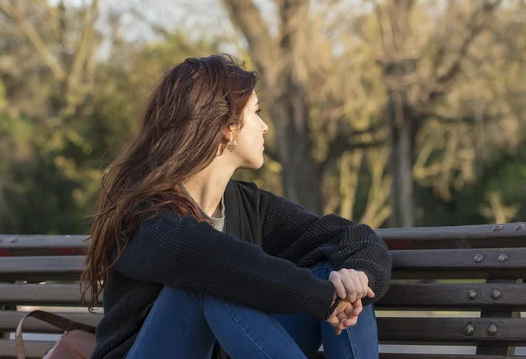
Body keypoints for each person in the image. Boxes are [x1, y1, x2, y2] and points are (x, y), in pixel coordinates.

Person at [81, 54, 392, 359]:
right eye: (255, 113)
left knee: (341, 277)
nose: (265, 126)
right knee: (209, 279)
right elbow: (208, 257)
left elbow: (354, 236)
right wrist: (318, 298)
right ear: (227, 128)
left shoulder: (248, 205)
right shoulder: (144, 216)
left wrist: (356, 278)